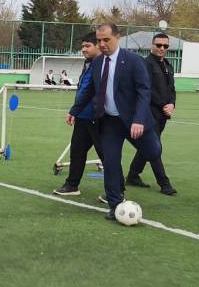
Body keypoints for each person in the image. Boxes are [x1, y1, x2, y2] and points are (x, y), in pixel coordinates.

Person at [67, 23, 170, 221]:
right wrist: (75, 111)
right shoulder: (97, 63)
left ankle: (140, 165)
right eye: (99, 40)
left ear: (117, 37)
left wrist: (139, 119)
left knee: (153, 152)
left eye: (107, 40)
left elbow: (143, 91)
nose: (102, 44)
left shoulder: (133, 61)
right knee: (111, 161)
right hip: (110, 122)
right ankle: (115, 204)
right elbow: (89, 91)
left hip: (134, 121)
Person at [126, 33, 178, 195]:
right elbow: (145, 89)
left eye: (165, 46)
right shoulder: (145, 64)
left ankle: (133, 175)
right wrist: (163, 104)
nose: (162, 48)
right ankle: (164, 183)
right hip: (148, 113)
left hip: (163, 113)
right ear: (152, 45)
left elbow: (171, 89)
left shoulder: (168, 66)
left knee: (148, 146)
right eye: (158, 45)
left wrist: (171, 104)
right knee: (155, 147)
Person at [54, 33, 104, 196]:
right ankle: (72, 185)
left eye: (87, 46)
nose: (83, 49)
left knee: (106, 154)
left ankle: (117, 191)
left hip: (98, 118)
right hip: (83, 116)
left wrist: (75, 109)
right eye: (82, 46)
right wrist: (76, 111)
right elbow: (82, 90)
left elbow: (92, 91)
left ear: (98, 45)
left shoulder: (103, 65)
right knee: (77, 151)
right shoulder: (88, 64)